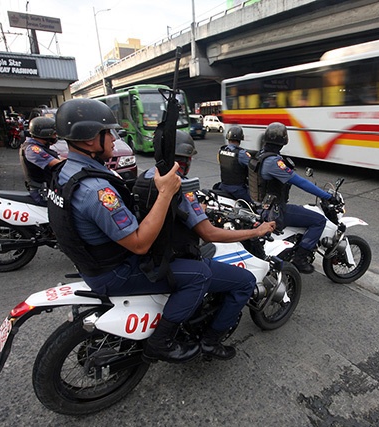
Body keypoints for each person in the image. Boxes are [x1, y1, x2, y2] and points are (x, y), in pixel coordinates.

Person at [46, 99, 275, 365]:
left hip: (93, 261)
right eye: (108, 133)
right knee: (202, 274)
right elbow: (141, 244)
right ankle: (171, 342)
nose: (113, 139)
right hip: (116, 270)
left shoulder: (66, 172)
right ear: (88, 139)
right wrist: (167, 193)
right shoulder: (97, 190)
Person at [133, 130, 276, 361]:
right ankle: (210, 342)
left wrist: (202, 209)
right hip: (174, 259)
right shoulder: (180, 187)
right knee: (245, 281)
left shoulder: (147, 177)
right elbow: (208, 233)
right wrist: (255, 231)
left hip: (152, 255)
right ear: (187, 160)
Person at [248, 122, 340, 274]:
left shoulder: (259, 156)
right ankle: (300, 258)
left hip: (259, 207)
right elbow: (300, 182)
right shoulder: (274, 162)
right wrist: (327, 196)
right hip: (275, 211)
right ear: (284, 140)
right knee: (319, 220)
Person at [19, 117, 61, 205]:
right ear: (46, 133)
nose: (55, 136)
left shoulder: (39, 147)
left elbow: (59, 159)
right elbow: (56, 163)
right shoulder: (32, 149)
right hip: (41, 194)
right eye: (54, 134)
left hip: (49, 190)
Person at [217, 125, 253, 203]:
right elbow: (253, 166)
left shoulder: (221, 150)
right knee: (256, 205)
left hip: (223, 186)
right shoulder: (241, 153)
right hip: (237, 190)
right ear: (240, 139)